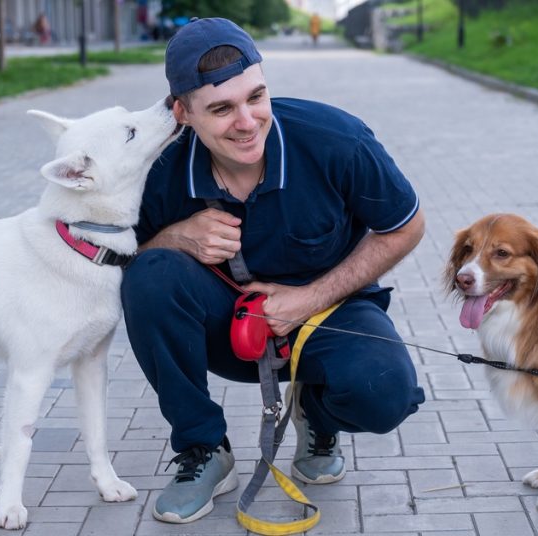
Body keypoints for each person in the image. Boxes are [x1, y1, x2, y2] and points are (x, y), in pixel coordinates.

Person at [121, 17, 426, 524]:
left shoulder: (335, 139)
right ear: (182, 113)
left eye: (255, 97)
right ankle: (203, 450)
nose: (246, 121)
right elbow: (116, 260)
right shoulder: (158, 170)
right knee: (149, 272)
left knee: (385, 392)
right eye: (221, 108)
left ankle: (316, 414)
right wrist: (176, 236)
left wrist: (307, 300)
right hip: (226, 329)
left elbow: (406, 226)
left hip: (328, 314)